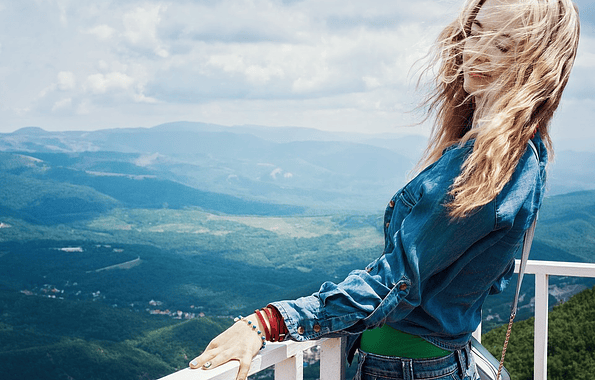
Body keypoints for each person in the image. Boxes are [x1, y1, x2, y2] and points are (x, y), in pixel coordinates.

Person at [188, 0, 580, 379]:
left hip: (407, 369)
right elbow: (489, 272)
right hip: (426, 361)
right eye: (476, 33)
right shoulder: (526, 153)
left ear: (536, 64)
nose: (477, 52)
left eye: (504, 45)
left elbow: (394, 282)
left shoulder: (487, 166)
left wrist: (265, 323)